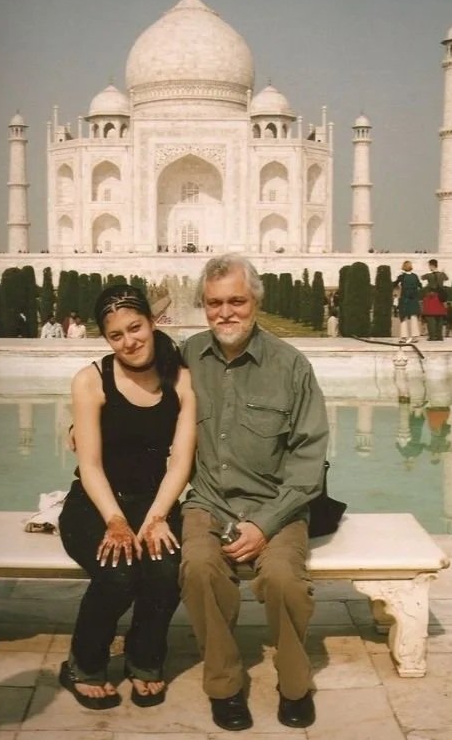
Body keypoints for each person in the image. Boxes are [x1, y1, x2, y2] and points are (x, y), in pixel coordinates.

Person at [179, 254, 329, 731]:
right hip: (209, 502)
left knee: (284, 580)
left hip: (276, 505)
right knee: (200, 569)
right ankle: (224, 685)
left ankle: (294, 683)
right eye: (214, 303)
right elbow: (130, 379)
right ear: (203, 306)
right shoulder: (186, 357)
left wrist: (265, 524)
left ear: (255, 302)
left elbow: (309, 463)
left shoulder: (290, 365)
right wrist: (84, 419)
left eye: (236, 301)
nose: (225, 312)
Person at [58, 284, 196, 711]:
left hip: (155, 501)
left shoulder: (181, 380)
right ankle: (83, 662)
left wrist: (155, 518)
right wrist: (117, 521)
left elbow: (181, 463)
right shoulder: (92, 380)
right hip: (96, 503)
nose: (129, 341)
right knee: (119, 574)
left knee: (165, 570)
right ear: (106, 339)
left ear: (153, 323)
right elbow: (92, 464)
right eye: (116, 335)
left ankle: (145, 657)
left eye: (135, 328)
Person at [393, 261, 422, 344]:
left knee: (403, 318)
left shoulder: (402, 276)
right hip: (413, 299)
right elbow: (420, 285)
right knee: (414, 317)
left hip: (404, 299)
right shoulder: (415, 276)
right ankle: (415, 336)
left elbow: (394, 284)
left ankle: (404, 337)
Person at [421, 259, 448, 341]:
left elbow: (422, 277)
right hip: (440, 297)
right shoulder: (442, 274)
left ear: (432, 266)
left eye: (429, 266)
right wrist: (443, 272)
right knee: (440, 317)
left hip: (431, 297)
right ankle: (439, 336)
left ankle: (432, 336)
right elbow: (446, 278)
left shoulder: (429, 275)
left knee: (431, 318)